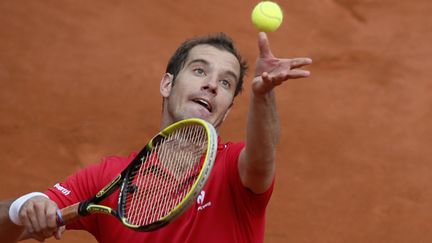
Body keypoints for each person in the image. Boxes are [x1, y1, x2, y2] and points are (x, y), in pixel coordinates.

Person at [0, 32, 312, 242]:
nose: (212, 85)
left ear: (226, 111)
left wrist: (262, 96)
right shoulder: (109, 177)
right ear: (167, 85)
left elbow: (262, 155)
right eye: (200, 71)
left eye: (226, 83)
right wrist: (24, 207)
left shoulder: (234, 169)